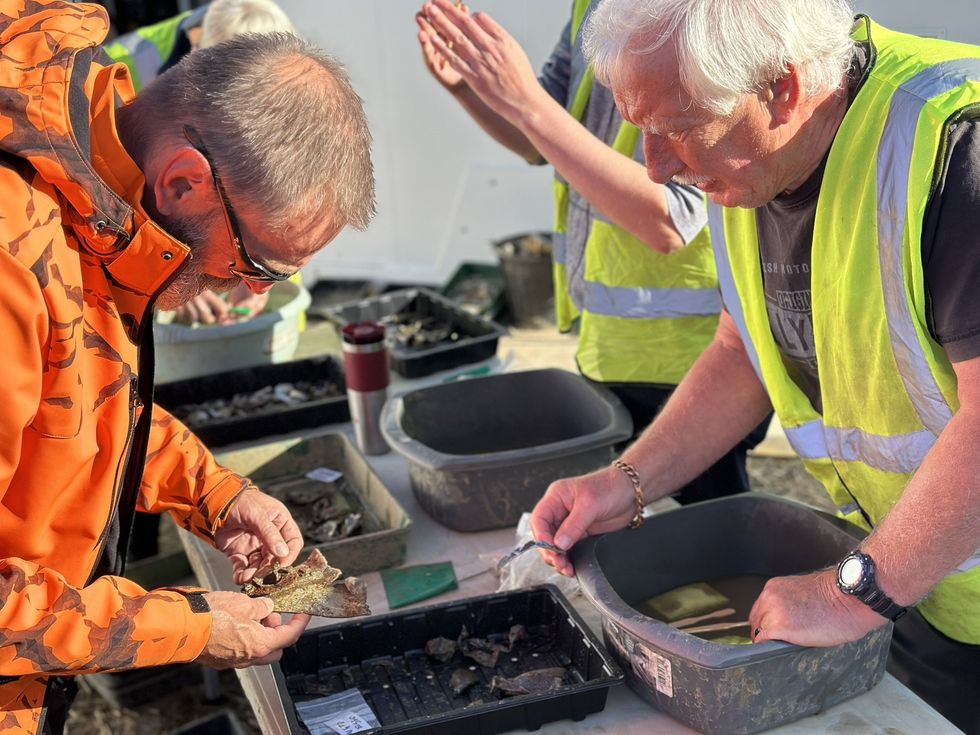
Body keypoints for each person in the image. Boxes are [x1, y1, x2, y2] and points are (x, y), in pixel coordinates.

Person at [529, 0, 980, 731]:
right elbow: (742, 354)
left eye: (676, 127)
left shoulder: (955, 147)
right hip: (919, 581)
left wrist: (846, 593)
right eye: (640, 128)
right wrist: (626, 482)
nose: (656, 164)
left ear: (782, 87)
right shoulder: (754, 158)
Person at [0, 1, 375, 732]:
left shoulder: (88, 200)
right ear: (183, 182)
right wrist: (189, 625)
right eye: (257, 262)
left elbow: (73, 403)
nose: (252, 291)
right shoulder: (11, 261)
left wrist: (215, 495)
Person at [417, 0, 768, 503]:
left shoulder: (700, 16)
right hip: (610, 344)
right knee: (633, 531)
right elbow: (540, 138)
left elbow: (670, 218)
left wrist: (524, 100)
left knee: (707, 545)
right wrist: (470, 89)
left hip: (694, 365)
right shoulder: (593, 8)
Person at [105, 0, 298, 326]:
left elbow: (284, 190)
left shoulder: (282, 77)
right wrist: (165, 275)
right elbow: (100, 204)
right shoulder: (115, 78)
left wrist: (267, 272)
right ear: (197, 51)